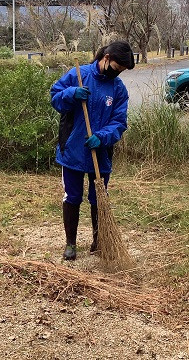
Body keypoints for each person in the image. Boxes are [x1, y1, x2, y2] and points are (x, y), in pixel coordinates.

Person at [50, 40, 135, 261]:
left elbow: (120, 122)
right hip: (73, 150)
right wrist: (70, 94)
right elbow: (55, 98)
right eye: (117, 69)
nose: (117, 75)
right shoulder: (79, 75)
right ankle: (71, 244)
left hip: (101, 152)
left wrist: (103, 137)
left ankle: (99, 241)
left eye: (121, 72)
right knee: (73, 197)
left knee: (99, 198)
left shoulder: (118, 89)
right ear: (106, 58)